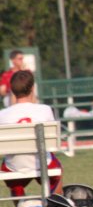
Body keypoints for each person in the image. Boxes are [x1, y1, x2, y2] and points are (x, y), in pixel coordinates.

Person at [0, 70, 63, 199]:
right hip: (42, 162)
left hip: (14, 165)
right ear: (33, 88)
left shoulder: (2, 114)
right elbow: (51, 145)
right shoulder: (45, 109)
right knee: (57, 171)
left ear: (12, 90)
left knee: (14, 179)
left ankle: (21, 204)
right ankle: (54, 202)